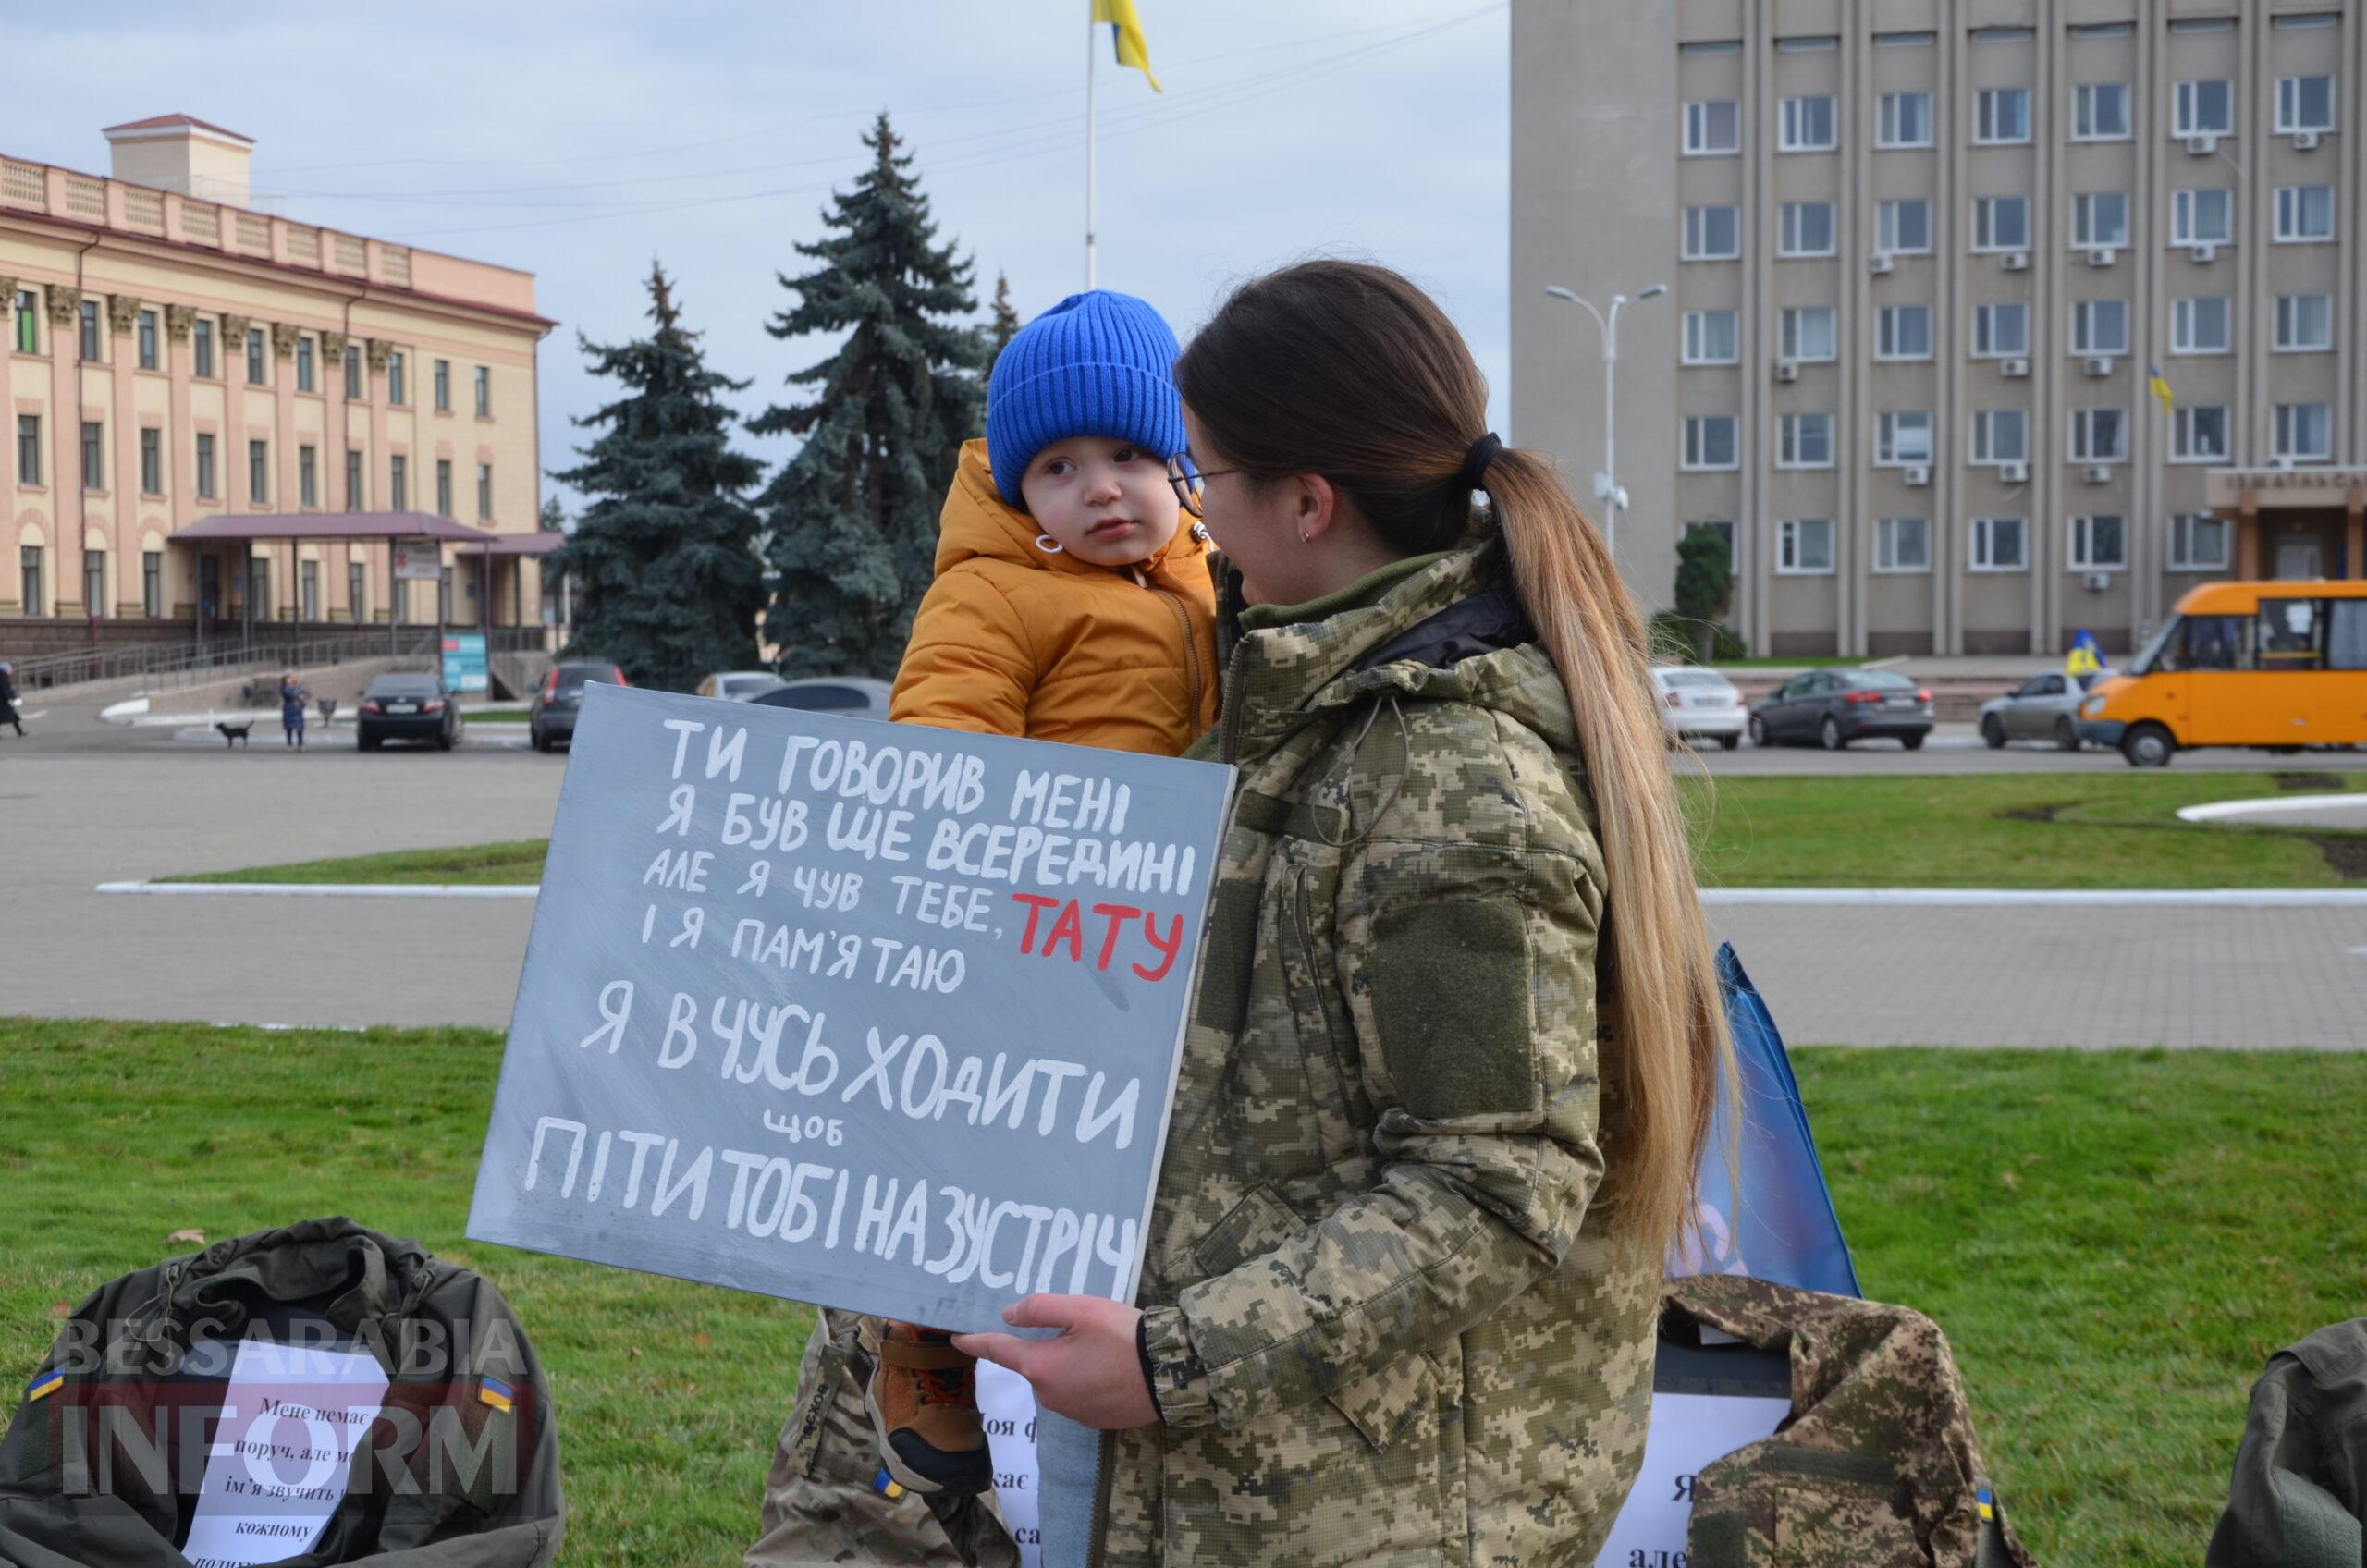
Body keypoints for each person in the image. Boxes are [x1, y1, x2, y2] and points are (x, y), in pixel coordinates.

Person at [950, 260, 1738, 1566]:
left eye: (1203, 473)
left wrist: (1167, 1362)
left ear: (1308, 503)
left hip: (1385, 1509)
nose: (1185, 508)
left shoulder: (1446, 779)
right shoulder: (1300, 709)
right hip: (1279, 1486)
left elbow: (1495, 1186)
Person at [745, 288, 1217, 1568]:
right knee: (970, 1167)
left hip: (1153, 942)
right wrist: (1010, 839)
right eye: (1060, 469)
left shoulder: (1208, 587)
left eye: (1127, 456)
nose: (1102, 490)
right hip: (1034, 928)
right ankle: (918, 1350)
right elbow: (939, 751)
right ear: (1019, 494)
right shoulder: (995, 593)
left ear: (1181, 459)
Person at [277, 672, 310, 750]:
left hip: (297, 709)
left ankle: (300, 744)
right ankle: (289, 744)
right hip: (289, 709)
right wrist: (299, 695)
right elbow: (289, 694)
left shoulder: (299, 686)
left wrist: (301, 695)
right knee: (289, 728)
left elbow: (303, 692)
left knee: (300, 728)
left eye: (291, 677)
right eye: (289, 678)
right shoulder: (284, 688)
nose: (291, 679)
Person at [0, 662, 21, 738]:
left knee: (12, 716)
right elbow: (3, 689)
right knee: (11, 716)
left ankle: (20, 732)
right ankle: (20, 732)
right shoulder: (2, 677)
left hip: (5, 701)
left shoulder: (3, 676)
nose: (11, 670)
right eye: (9, 669)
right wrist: (8, 698)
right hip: (4, 701)